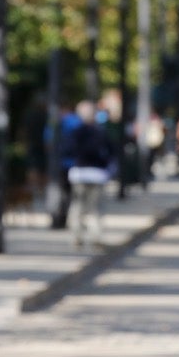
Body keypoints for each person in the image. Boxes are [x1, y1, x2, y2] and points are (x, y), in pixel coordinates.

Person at [65, 101, 113, 250]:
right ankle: (95, 237)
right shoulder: (100, 132)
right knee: (94, 208)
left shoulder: (76, 132)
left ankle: (77, 237)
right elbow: (111, 151)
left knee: (78, 207)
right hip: (96, 173)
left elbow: (68, 150)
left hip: (81, 172)